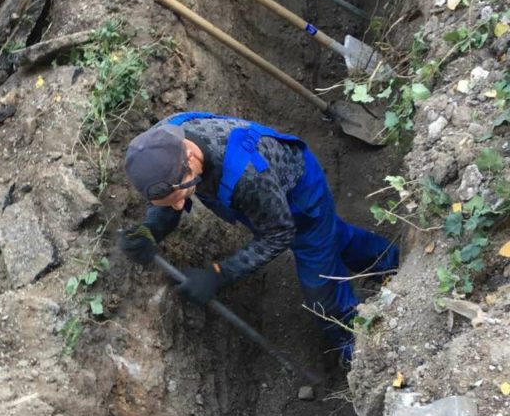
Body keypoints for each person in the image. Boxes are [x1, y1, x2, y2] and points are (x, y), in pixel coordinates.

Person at [119, 112, 399, 362]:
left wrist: (219, 274)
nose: (180, 205)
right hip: (267, 195)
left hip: (300, 194)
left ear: (190, 157)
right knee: (333, 236)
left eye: (183, 194)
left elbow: (279, 234)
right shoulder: (158, 147)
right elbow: (169, 202)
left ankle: (358, 348)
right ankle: (391, 262)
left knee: (322, 293)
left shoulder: (248, 176)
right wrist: (151, 229)